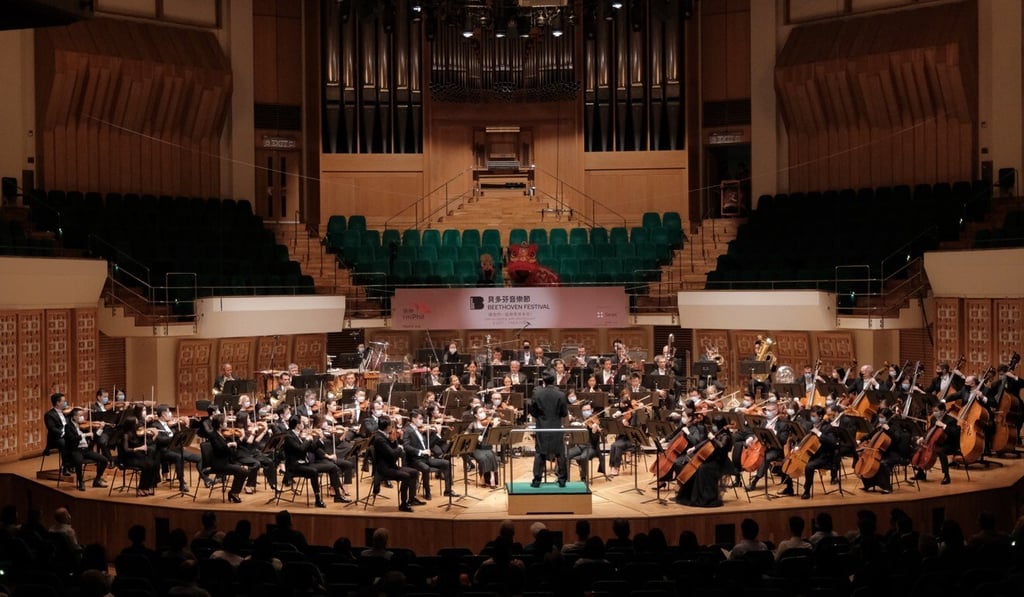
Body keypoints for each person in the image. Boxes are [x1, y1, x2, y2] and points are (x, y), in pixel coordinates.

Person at [282, 415, 347, 508]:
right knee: (313, 471)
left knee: (332, 467)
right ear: (298, 425)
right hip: (295, 466)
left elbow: (312, 449)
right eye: (302, 423)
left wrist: (319, 439)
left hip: (305, 463)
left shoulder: (299, 434)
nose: (304, 425)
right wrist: (308, 440)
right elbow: (300, 449)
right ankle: (318, 499)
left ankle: (338, 496)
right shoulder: (289, 436)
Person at [402, 409, 458, 499]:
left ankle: (448, 491)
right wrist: (421, 452)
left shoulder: (419, 431)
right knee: (426, 468)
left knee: (446, 463)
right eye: (420, 418)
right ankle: (427, 492)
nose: (422, 421)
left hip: (425, 458)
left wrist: (437, 433)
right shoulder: (408, 430)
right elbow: (406, 446)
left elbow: (429, 445)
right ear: (413, 419)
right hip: (415, 460)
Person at [371, 416, 423, 512]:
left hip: (391, 466)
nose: (392, 427)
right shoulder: (379, 439)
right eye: (391, 425)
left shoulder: (386, 435)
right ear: (387, 427)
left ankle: (411, 499)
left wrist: (397, 439)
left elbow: (393, 451)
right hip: (384, 469)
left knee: (415, 472)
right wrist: (400, 447)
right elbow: (393, 453)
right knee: (406, 476)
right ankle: (403, 504)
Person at [149, 405, 204, 493]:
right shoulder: (155, 425)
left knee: (200, 457)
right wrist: (173, 438)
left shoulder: (171, 425)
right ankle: (182, 482)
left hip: (176, 449)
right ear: (163, 414)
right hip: (164, 451)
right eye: (168, 412)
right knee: (179, 457)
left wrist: (186, 424)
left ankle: (205, 478)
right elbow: (160, 440)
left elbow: (183, 433)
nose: (171, 414)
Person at [530, 370, 569, 487]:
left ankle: (537, 481)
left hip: (542, 428)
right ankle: (562, 480)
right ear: (554, 380)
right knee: (560, 453)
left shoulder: (537, 394)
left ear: (543, 381)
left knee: (540, 453)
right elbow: (564, 413)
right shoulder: (561, 394)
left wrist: (541, 417)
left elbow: (533, 412)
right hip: (556, 427)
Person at [206, 414, 250, 503]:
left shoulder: (220, 434)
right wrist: (229, 445)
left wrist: (236, 444)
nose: (227, 423)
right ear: (220, 424)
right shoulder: (213, 435)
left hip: (225, 461)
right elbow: (219, 450)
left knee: (244, 470)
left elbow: (227, 451)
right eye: (225, 422)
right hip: (218, 464)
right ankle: (234, 493)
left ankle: (234, 492)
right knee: (242, 471)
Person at [63, 407, 109, 491]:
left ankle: (97, 480)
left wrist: (100, 429)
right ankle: (80, 482)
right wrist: (85, 435)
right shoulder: (68, 427)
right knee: (78, 461)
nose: (82, 417)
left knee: (104, 460)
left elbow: (94, 438)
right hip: (75, 450)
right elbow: (72, 439)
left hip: (86, 450)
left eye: (83, 415)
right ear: (73, 417)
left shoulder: (84, 426)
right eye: (80, 415)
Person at [913, 401, 959, 485]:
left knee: (941, 451)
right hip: (936, 442)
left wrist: (944, 426)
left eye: (936, 410)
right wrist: (923, 438)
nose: (934, 413)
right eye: (933, 411)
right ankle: (921, 473)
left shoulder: (951, 420)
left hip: (949, 444)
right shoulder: (933, 419)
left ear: (943, 411)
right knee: (920, 447)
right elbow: (930, 430)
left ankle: (946, 476)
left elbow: (955, 433)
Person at [120, 415, 159, 496]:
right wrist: (139, 448)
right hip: (129, 458)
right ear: (132, 425)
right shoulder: (126, 435)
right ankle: (141, 488)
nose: (139, 424)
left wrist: (154, 436)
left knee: (154, 464)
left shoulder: (137, 433)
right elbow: (126, 450)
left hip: (138, 456)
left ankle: (148, 486)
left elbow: (148, 443)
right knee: (147, 465)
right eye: (137, 423)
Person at [468, 405, 500, 488]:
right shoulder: (473, 424)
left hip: (487, 447)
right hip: (476, 448)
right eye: (480, 412)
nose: (483, 413)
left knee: (492, 456)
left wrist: (494, 426)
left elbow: (493, 435)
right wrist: (475, 437)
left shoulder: (488, 423)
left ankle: (492, 478)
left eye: (483, 411)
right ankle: (482, 477)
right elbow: (466, 435)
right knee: (483, 459)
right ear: (476, 415)